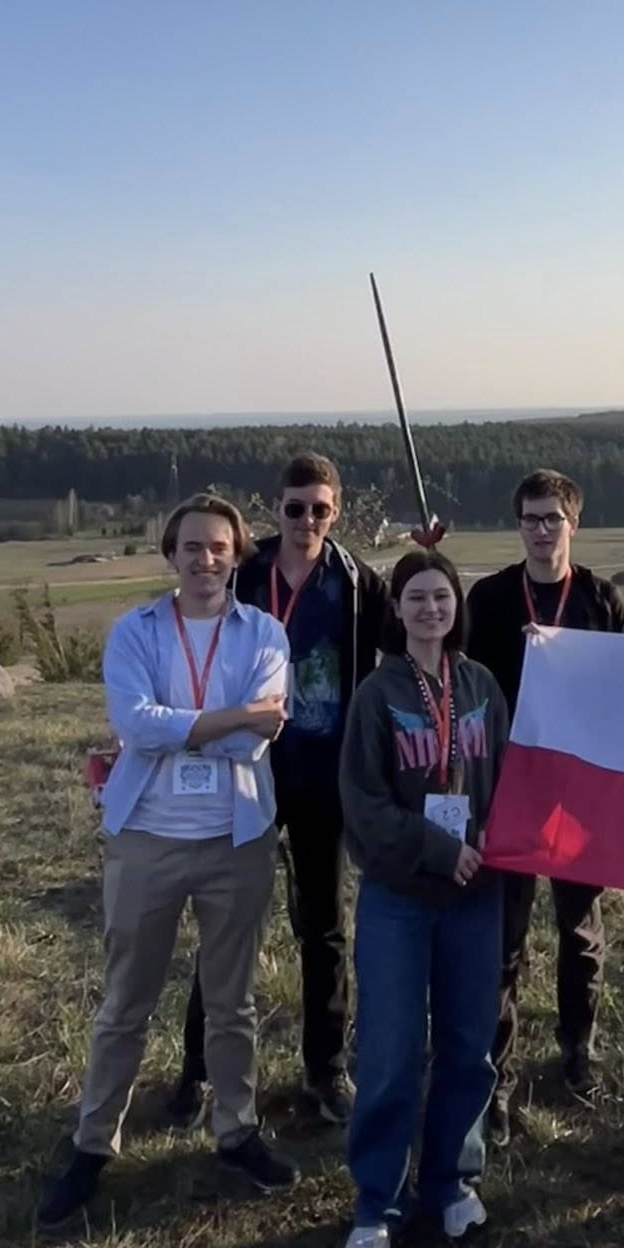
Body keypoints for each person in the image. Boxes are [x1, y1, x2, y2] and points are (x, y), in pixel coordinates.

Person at [37, 495, 298, 1229]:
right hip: (147, 839)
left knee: (232, 1001)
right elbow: (134, 724)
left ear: (237, 555)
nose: (204, 559)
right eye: (191, 547)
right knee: (126, 1000)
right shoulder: (136, 631)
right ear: (172, 554)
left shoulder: (265, 633)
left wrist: (188, 727)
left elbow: (258, 738)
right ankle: (93, 1143)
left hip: (237, 840)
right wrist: (232, 716)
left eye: (218, 547)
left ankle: (236, 1129)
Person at [169, 453, 389, 1129]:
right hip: (245, 774)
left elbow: (415, 636)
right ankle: (198, 1072)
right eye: (295, 507)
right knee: (228, 925)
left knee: (323, 930)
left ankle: (326, 1071)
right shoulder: (245, 570)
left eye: (320, 509)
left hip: (325, 778)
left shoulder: (358, 582)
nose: (307, 520)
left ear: (336, 512)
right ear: (276, 508)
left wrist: (428, 564)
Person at [338, 548, 511, 1248]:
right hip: (400, 899)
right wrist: (440, 850)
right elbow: (364, 805)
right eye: (416, 597)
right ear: (397, 608)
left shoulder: (481, 685)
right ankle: (378, 1200)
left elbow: (512, 775)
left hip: (476, 898)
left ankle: (452, 1182)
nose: (430, 608)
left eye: (442, 596)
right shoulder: (377, 695)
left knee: (469, 1045)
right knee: (392, 1050)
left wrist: (497, 837)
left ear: (456, 605)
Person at [465, 468, 624, 1139]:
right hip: (507, 789)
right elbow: (466, 688)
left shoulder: (599, 598)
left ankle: (576, 1050)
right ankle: (495, 1076)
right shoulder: (490, 598)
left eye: (552, 519)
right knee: (503, 939)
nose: (540, 530)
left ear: (573, 524)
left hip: (578, 792)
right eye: (529, 519)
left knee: (579, 931)